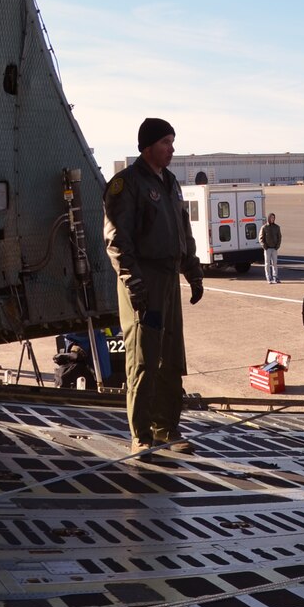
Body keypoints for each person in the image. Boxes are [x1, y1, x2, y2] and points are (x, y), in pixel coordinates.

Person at [104, 117, 204, 452]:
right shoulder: (126, 184)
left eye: (172, 142)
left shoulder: (171, 183)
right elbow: (118, 240)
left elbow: (183, 232)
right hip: (143, 282)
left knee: (171, 357)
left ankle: (167, 428)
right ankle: (141, 435)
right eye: (165, 142)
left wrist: (192, 270)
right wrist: (133, 282)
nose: (172, 149)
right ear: (147, 147)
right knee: (144, 359)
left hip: (168, 281)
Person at [260, 212, 283, 284]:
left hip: (274, 248)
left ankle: (275, 277)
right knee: (267, 264)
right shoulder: (264, 227)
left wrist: (277, 246)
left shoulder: (277, 227)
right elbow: (261, 238)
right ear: (269, 218)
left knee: (275, 263)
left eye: (273, 218)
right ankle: (268, 277)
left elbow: (279, 237)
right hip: (267, 249)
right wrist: (265, 247)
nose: (272, 219)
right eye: (271, 218)